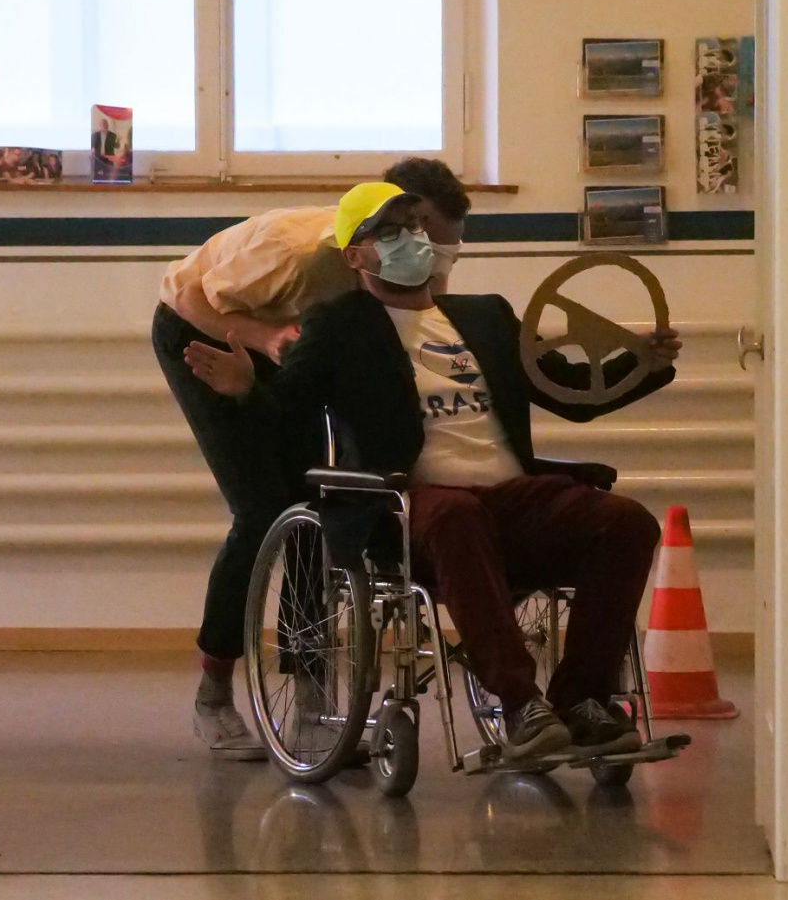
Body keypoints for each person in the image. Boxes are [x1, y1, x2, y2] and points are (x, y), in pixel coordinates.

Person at [185, 182, 683, 760]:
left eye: (415, 226)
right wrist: (247, 392)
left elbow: (570, 394)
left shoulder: (487, 316)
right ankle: (521, 705)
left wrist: (642, 362)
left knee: (625, 522)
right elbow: (288, 417)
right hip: (410, 509)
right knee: (456, 514)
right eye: (388, 232)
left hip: (510, 497)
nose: (411, 239)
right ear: (355, 255)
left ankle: (583, 700)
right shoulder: (339, 326)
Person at [151, 160, 470, 760]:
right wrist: (264, 341)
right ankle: (213, 695)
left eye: (439, 244)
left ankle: (313, 700)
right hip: (209, 330)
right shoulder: (293, 250)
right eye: (413, 231)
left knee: (319, 504)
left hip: (298, 336)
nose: (425, 250)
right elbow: (189, 296)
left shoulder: (424, 248)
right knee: (262, 510)